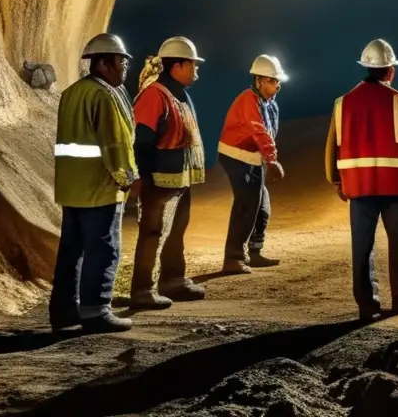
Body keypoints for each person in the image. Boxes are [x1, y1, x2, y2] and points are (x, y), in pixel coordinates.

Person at [325, 39, 398, 321]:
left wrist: (336, 180)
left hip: (358, 187)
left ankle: (367, 304)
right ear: (390, 71)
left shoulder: (342, 104)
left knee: (362, 246)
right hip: (394, 186)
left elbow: (331, 145)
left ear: (366, 69)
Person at [49, 33, 138, 333]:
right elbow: (116, 146)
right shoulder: (104, 96)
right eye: (121, 61)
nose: (125, 67)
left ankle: (64, 312)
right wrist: (129, 179)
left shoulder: (71, 92)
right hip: (100, 189)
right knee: (104, 250)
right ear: (103, 63)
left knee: (71, 252)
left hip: (72, 189)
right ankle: (96, 312)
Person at [129, 36, 207, 309]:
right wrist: (143, 178)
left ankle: (173, 280)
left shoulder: (179, 94)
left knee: (175, 231)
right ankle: (143, 290)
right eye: (193, 64)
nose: (197, 70)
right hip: (159, 183)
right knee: (153, 232)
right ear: (178, 65)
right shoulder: (155, 95)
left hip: (178, 181)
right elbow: (141, 140)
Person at [219, 54, 288, 274]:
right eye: (272, 81)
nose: (277, 86)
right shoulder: (248, 100)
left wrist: (268, 158)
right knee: (247, 203)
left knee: (262, 205)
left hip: (252, 158)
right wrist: (272, 159)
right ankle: (233, 257)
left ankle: (254, 253)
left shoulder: (269, 104)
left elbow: (268, 133)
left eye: (278, 81)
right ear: (258, 80)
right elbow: (258, 130)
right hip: (238, 157)